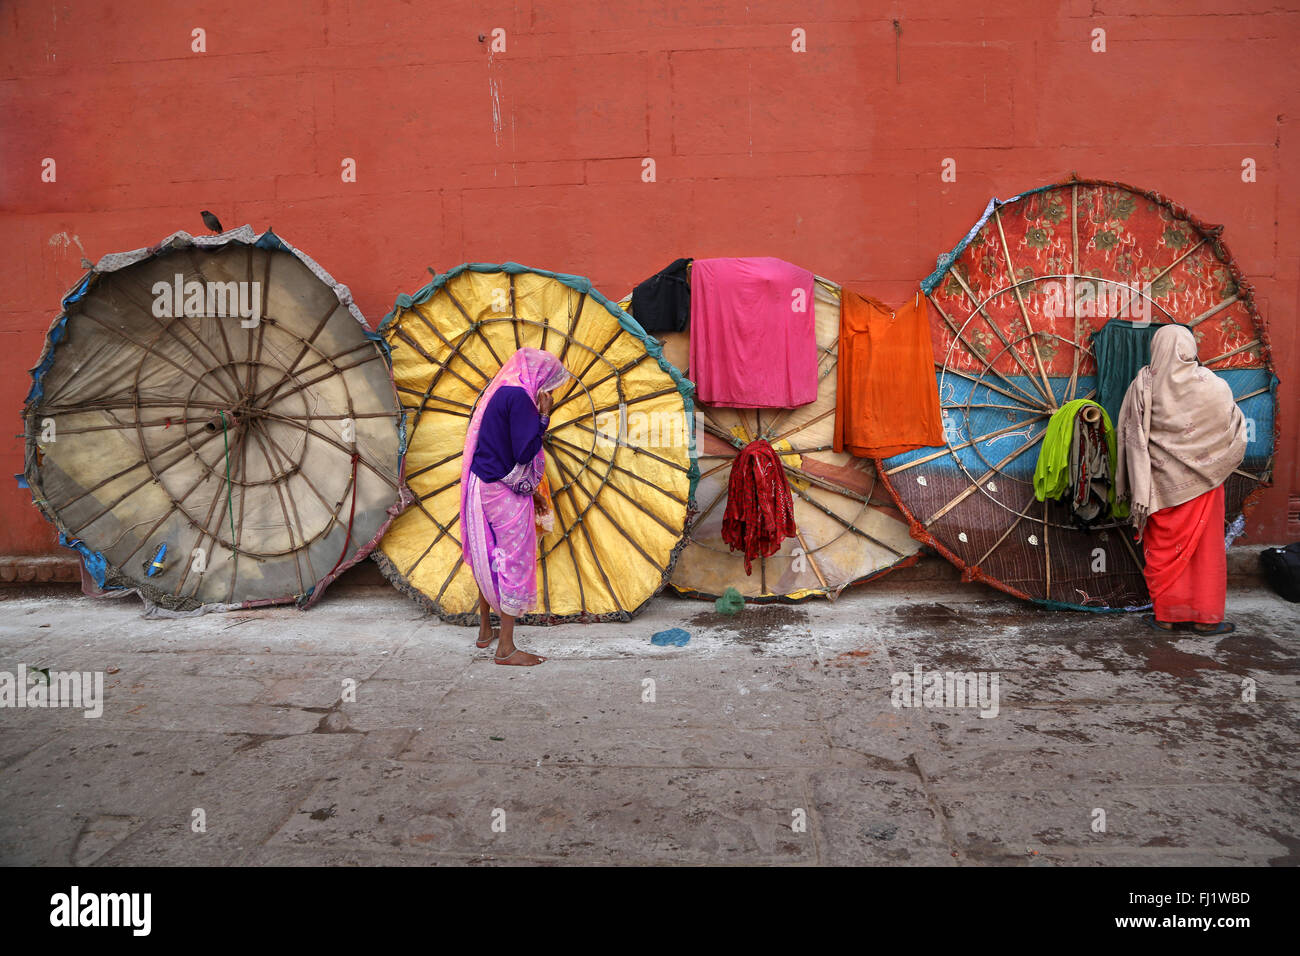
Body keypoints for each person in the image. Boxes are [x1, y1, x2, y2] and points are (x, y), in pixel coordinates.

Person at [1115, 324, 1246, 634]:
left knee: (1162, 546)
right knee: (1206, 550)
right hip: (1205, 484)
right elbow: (1232, 424)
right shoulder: (1214, 386)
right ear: (1189, 347)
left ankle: (1167, 616)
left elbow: (1132, 435)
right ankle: (1206, 618)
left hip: (1160, 487)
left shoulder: (1144, 384)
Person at [459, 348, 571, 665]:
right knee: (513, 559)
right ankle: (506, 648)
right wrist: (544, 417)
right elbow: (524, 451)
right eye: (548, 383)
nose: (547, 390)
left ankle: (485, 631)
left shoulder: (501, 390)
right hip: (502, 491)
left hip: (482, 482)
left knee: (488, 553)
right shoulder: (521, 398)